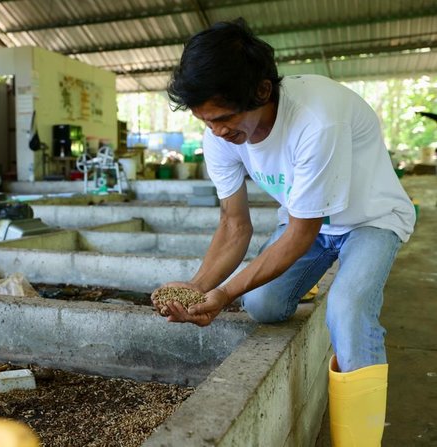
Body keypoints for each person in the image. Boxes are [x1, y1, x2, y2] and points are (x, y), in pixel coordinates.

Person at [152, 17, 415, 446]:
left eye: (224, 118)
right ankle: (300, 281)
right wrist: (197, 288)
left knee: (347, 310)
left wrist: (223, 295)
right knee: (262, 305)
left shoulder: (317, 119)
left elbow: (300, 235)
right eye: (207, 121)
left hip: (371, 220)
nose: (217, 131)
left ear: (262, 91)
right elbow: (234, 224)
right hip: (304, 223)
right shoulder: (219, 134)